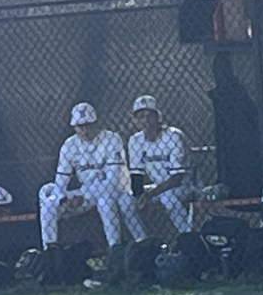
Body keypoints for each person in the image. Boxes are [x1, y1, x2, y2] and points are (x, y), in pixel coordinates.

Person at [38, 102, 147, 249]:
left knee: (105, 201)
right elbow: (61, 180)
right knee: (47, 198)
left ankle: (115, 248)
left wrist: (84, 197)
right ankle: (49, 250)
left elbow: (113, 181)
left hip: (116, 191)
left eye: (88, 125)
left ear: (95, 124)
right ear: (74, 127)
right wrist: (63, 200)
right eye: (80, 126)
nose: (84, 131)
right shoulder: (69, 145)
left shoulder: (112, 139)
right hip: (86, 194)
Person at [128, 95, 193, 235]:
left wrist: (150, 194)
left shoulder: (173, 136)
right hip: (158, 188)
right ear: (136, 121)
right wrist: (139, 196)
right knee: (126, 200)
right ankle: (142, 241)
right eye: (141, 117)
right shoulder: (135, 140)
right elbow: (136, 175)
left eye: (149, 115)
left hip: (185, 186)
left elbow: (177, 178)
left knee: (167, 197)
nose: (145, 120)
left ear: (158, 117)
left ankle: (188, 236)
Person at [208, 53, 263, 199]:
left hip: (244, 141)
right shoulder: (221, 93)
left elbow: (251, 112)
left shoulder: (237, 92)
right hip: (228, 142)